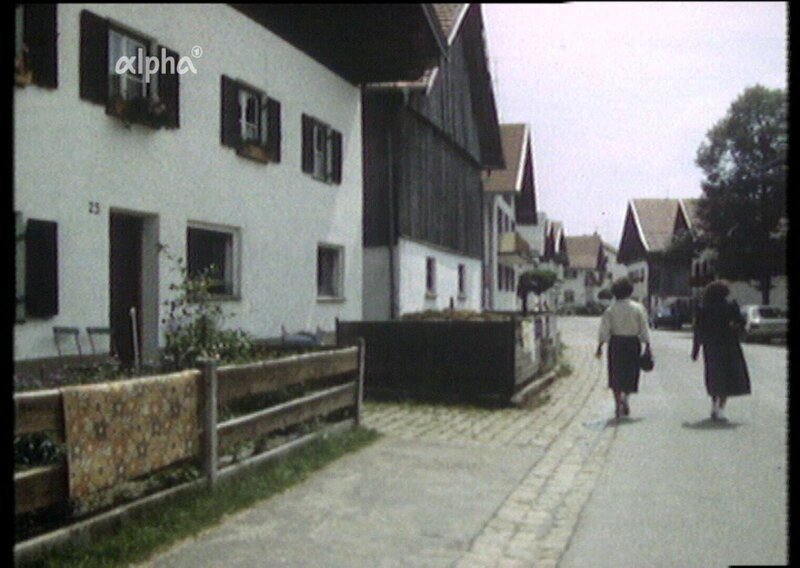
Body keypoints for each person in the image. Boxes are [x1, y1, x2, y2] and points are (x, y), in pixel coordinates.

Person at [691, 280, 751, 420]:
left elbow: (698, 330)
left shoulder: (702, 308)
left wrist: (695, 350)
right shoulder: (730, 306)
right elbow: (741, 322)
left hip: (711, 345)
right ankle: (721, 408)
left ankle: (713, 405)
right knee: (727, 376)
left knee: (714, 376)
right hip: (729, 344)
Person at [595, 278, 651, 418]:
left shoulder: (610, 310)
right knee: (630, 373)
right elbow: (644, 328)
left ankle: (617, 404)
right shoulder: (638, 308)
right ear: (630, 291)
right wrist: (648, 344)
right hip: (633, 343)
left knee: (615, 374)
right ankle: (626, 398)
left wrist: (600, 346)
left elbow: (604, 330)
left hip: (616, 343)